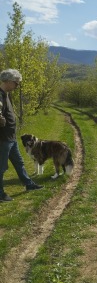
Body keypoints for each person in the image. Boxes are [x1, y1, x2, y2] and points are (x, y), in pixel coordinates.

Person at [0, 68, 43, 202]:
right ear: (7, 81)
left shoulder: (7, 94)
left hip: (11, 138)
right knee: (1, 167)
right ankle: (0, 194)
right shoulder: (0, 94)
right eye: (16, 83)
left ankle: (29, 185)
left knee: (19, 163)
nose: (17, 86)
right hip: (2, 139)